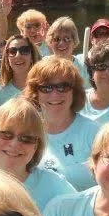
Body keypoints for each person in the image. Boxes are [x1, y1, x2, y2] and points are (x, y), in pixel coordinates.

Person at [26, 57, 101, 191]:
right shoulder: (24, 132)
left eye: (63, 87)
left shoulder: (95, 133)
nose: (55, 94)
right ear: (35, 93)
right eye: (46, 88)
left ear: (75, 91)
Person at [0, 34, 40, 107]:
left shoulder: (43, 87)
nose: (18, 55)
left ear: (32, 56)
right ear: (7, 59)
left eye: (24, 50)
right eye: (12, 51)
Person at [73, 17, 109, 85]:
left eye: (107, 34)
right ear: (91, 40)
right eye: (98, 34)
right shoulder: (78, 61)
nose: (102, 38)